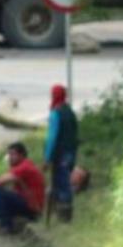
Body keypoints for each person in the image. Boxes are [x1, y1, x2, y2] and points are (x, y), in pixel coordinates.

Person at [0, 142, 45, 233]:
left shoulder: (24, 167)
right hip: (27, 202)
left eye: (12, 154)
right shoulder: (23, 165)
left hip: (32, 207)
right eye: (9, 154)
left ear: (21, 155)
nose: (9, 157)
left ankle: (6, 226)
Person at [44, 85, 79, 223]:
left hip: (60, 154)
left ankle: (63, 216)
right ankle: (65, 213)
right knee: (66, 181)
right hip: (71, 152)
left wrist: (47, 158)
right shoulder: (70, 112)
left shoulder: (55, 113)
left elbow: (52, 137)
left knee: (60, 183)